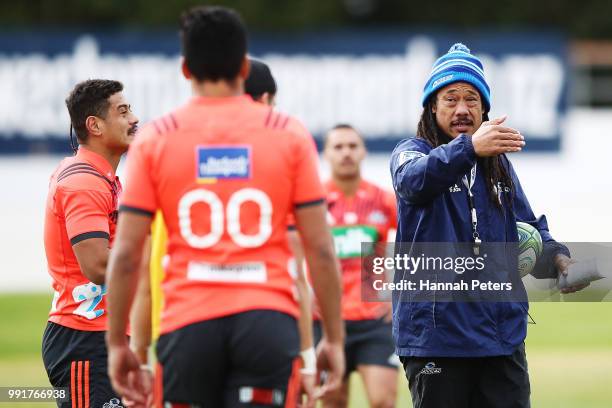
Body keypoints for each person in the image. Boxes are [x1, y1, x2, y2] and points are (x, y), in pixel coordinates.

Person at [105, 6, 344, 408]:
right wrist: (334, 339)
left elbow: (128, 254)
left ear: (185, 69)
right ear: (243, 65)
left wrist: (117, 343)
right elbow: (320, 249)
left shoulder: (155, 139)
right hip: (267, 322)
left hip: (188, 324)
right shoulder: (287, 133)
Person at [389, 43, 588, 408]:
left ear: (484, 110)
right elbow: (413, 182)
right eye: (450, 99)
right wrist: (469, 149)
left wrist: (561, 260)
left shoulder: (498, 166)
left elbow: (526, 227)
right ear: (432, 107)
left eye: (472, 99)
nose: (462, 109)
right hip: (437, 338)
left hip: (500, 335)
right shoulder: (411, 152)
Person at [128, 57, 319, 407]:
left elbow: (139, 268)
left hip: (180, 323)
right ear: (259, 100)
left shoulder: (168, 150)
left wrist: (137, 350)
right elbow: (302, 271)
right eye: (271, 103)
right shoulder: (280, 151)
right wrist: (311, 351)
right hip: (262, 319)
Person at [42, 79, 139, 407]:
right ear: (94, 125)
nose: (134, 119)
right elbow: (98, 265)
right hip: (85, 339)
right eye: (123, 111)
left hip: (100, 337)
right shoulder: (84, 182)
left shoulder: (101, 178)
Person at [316, 124, 399, 408]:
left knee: (383, 401)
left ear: (363, 151)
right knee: (333, 401)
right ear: (326, 154)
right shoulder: (314, 202)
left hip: (373, 319)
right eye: (338, 147)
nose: (346, 153)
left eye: (352, 146)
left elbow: (416, 237)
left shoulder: (384, 200)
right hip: (326, 321)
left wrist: (397, 289)